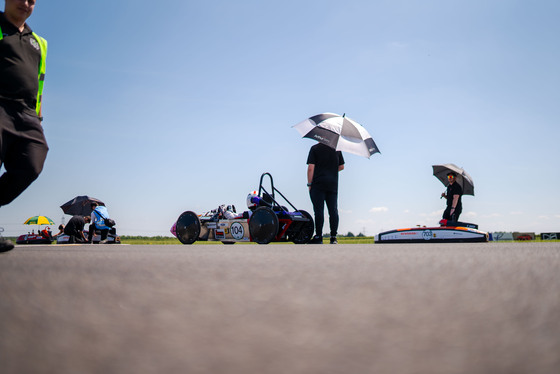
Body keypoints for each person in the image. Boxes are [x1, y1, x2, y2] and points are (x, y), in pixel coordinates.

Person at [0, 0, 48, 252]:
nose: (26, 3)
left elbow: (39, 81)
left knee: (32, 163)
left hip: (27, 113)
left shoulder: (39, 43)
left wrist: (37, 116)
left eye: (31, 0)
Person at [306, 143, 345, 244]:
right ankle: (333, 237)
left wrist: (309, 184)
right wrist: (330, 170)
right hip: (332, 184)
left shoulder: (314, 148)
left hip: (318, 184)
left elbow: (311, 168)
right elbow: (341, 166)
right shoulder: (337, 149)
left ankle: (319, 236)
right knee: (333, 210)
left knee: (319, 210)